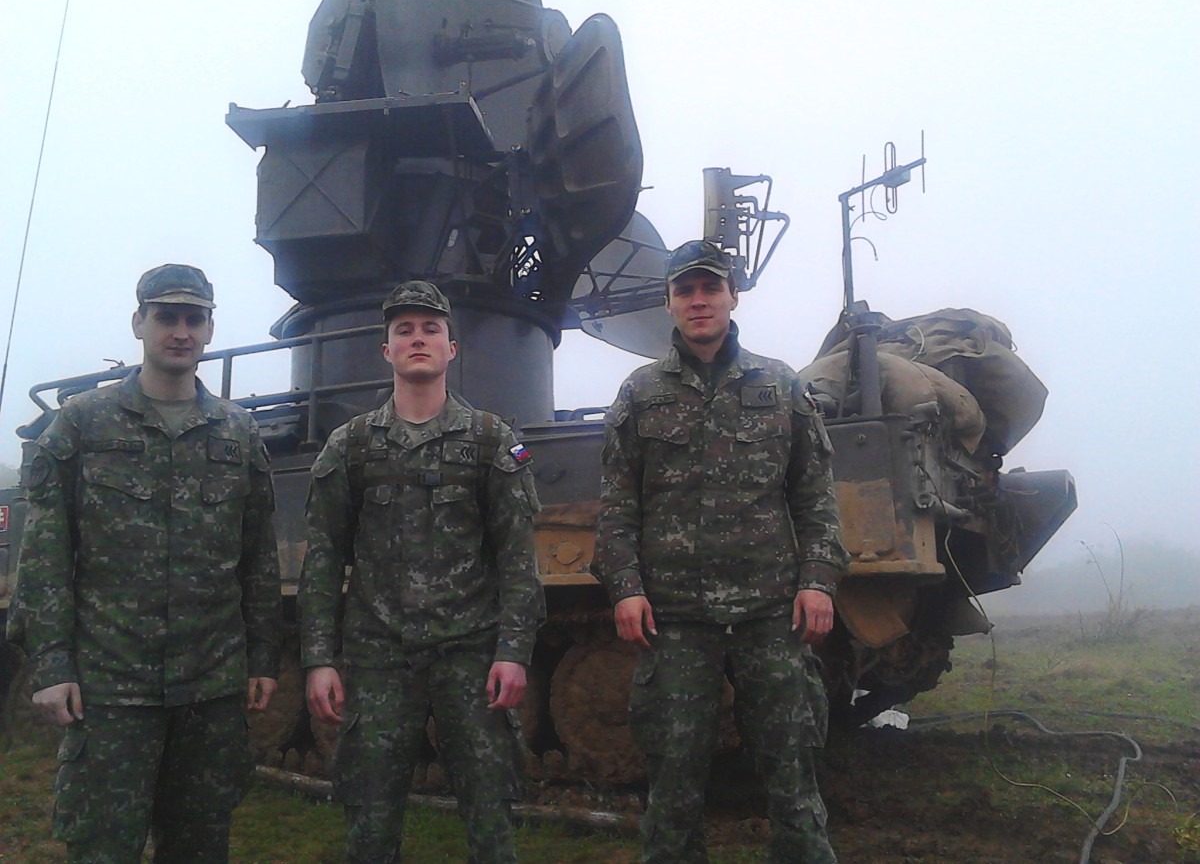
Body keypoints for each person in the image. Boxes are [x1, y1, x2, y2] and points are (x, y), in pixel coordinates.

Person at [7, 263, 282, 863]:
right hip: (110, 685)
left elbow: (258, 557)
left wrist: (263, 656)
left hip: (209, 686)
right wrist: (51, 662)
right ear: (139, 323)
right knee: (104, 847)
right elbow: (46, 554)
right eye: (166, 317)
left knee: (199, 846)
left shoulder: (237, 432)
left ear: (209, 329)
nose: (180, 331)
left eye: (194, 319)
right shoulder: (83, 423)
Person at [594, 240, 850, 863]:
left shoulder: (780, 385)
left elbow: (815, 497)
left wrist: (818, 580)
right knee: (673, 784)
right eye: (685, 290)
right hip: (675, 619)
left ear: (733, 296)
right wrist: (626, 588)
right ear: (669, 303)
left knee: (793, 776)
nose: (699, 300)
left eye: (711, 288)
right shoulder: (640, 393)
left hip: (771, 613)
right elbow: (617, 506)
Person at [300, 280, 545, 864]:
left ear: (451, 348)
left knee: (491, 816)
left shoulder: (491, 441)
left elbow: (517, 558)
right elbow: (324, 559)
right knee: (370, 820)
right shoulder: (351, 445)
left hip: (470, 655)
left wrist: (513, 651)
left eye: (431, 329)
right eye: (404, 330)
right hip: (379, 656)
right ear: (385, 349)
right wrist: (318, 658)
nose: (418, 339)